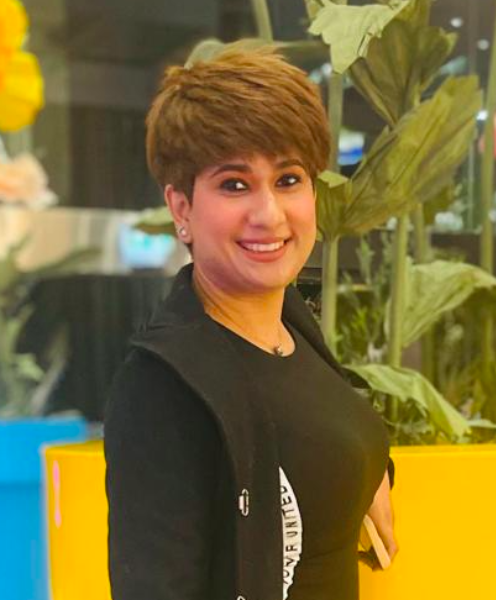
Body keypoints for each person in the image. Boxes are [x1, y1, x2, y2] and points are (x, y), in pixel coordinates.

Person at [104, 45, 398, 600]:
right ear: (182, 208)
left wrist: (368, 470)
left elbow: (308, 429)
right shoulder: (164, 386)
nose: (269, 214)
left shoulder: (291, 325)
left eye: (288, 179)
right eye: (235, 184)